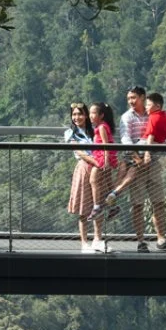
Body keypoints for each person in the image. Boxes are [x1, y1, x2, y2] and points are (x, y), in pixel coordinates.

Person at [95, 88, 166, 252]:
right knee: (137, 204)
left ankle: (161, 239)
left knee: (159, 202)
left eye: (134, 98)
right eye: (129, 98)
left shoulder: (154, 114)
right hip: (136, 164)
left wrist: (158, 148)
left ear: (143, 98)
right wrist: (137, 158)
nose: (131, 101)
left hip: (153, 163)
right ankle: (141, 242)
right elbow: (126, 140)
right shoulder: (127, 117)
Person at [80, 102, 119, 252]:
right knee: (107, 184)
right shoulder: (100, 127)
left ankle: (97, 207)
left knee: (93, 180)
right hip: (102, 157)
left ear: (101, 115)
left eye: (93, 113)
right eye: (89, 113)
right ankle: (113, 206)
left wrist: (107, 161)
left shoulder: (102, 127)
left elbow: (105, 145)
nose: (90, 116)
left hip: (102, 158)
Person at [63, 102, 101, 251]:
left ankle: (98, 239)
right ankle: (84, 243)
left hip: (98, 169)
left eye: (79, 114)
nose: (76, 117)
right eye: (74, 114)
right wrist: (97, 162)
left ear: (86, 115)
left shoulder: (95, 130)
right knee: (84, 208)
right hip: (85, 168)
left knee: (98, 206)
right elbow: (79, 152)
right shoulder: (70, 133)